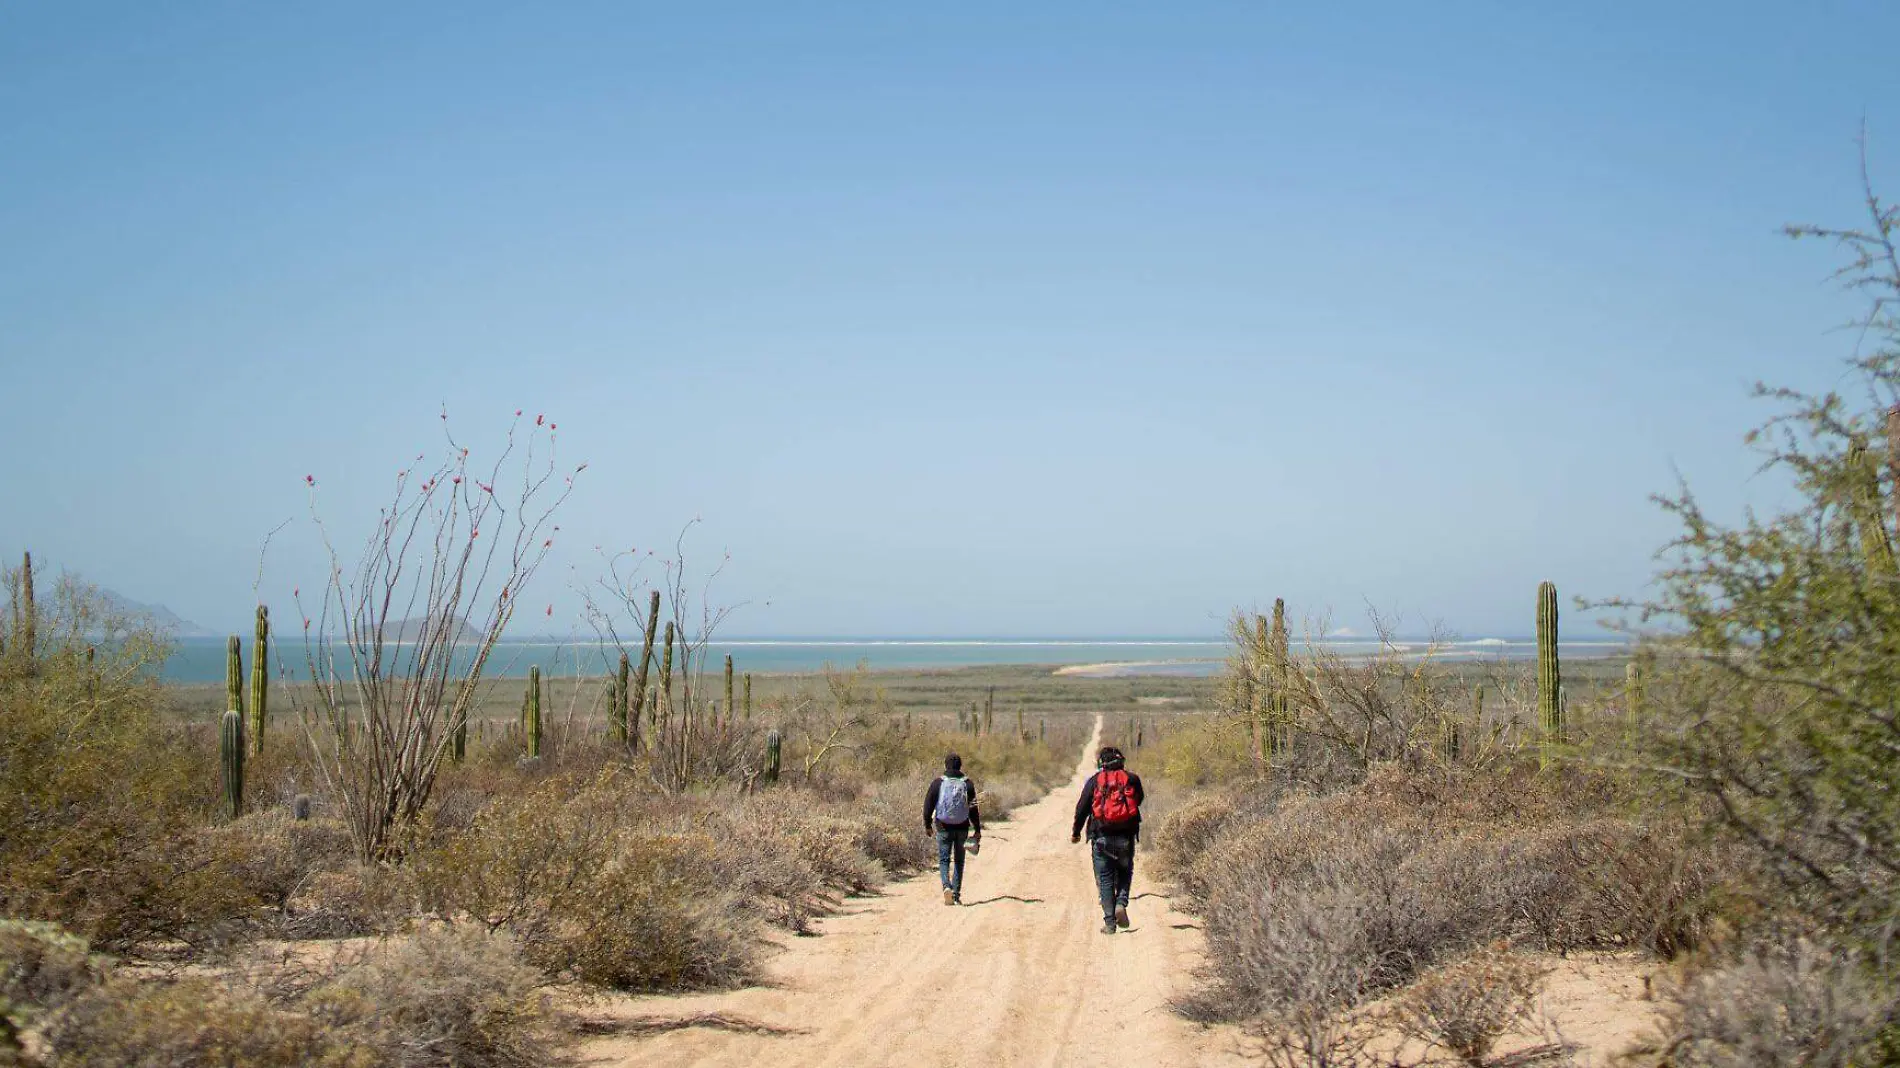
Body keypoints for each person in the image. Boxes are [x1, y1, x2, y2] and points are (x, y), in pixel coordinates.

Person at [1071, 745, 1144, 934]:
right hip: (1125, 836)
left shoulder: (1095, 781)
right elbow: (1139, 800)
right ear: (1121, 761)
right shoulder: (1132, 779)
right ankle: (1121, 902)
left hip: (1101, 836)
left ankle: (1110, 923)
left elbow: (1082, 808)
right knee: (1125, 872)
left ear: (1101, 763)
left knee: (1105, 879)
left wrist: (1076, 831)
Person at [924, 752, 982, 905]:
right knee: (959, 860)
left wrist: (927, 825)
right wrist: (977, 829)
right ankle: (956, 895)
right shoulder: (968, 783)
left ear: (945, 765)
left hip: (943, 826)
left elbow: (928, 805)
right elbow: (973, 809)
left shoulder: (938, 783)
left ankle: (946, 886)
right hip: (962, 826)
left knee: (944, 859)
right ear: (960, 766)